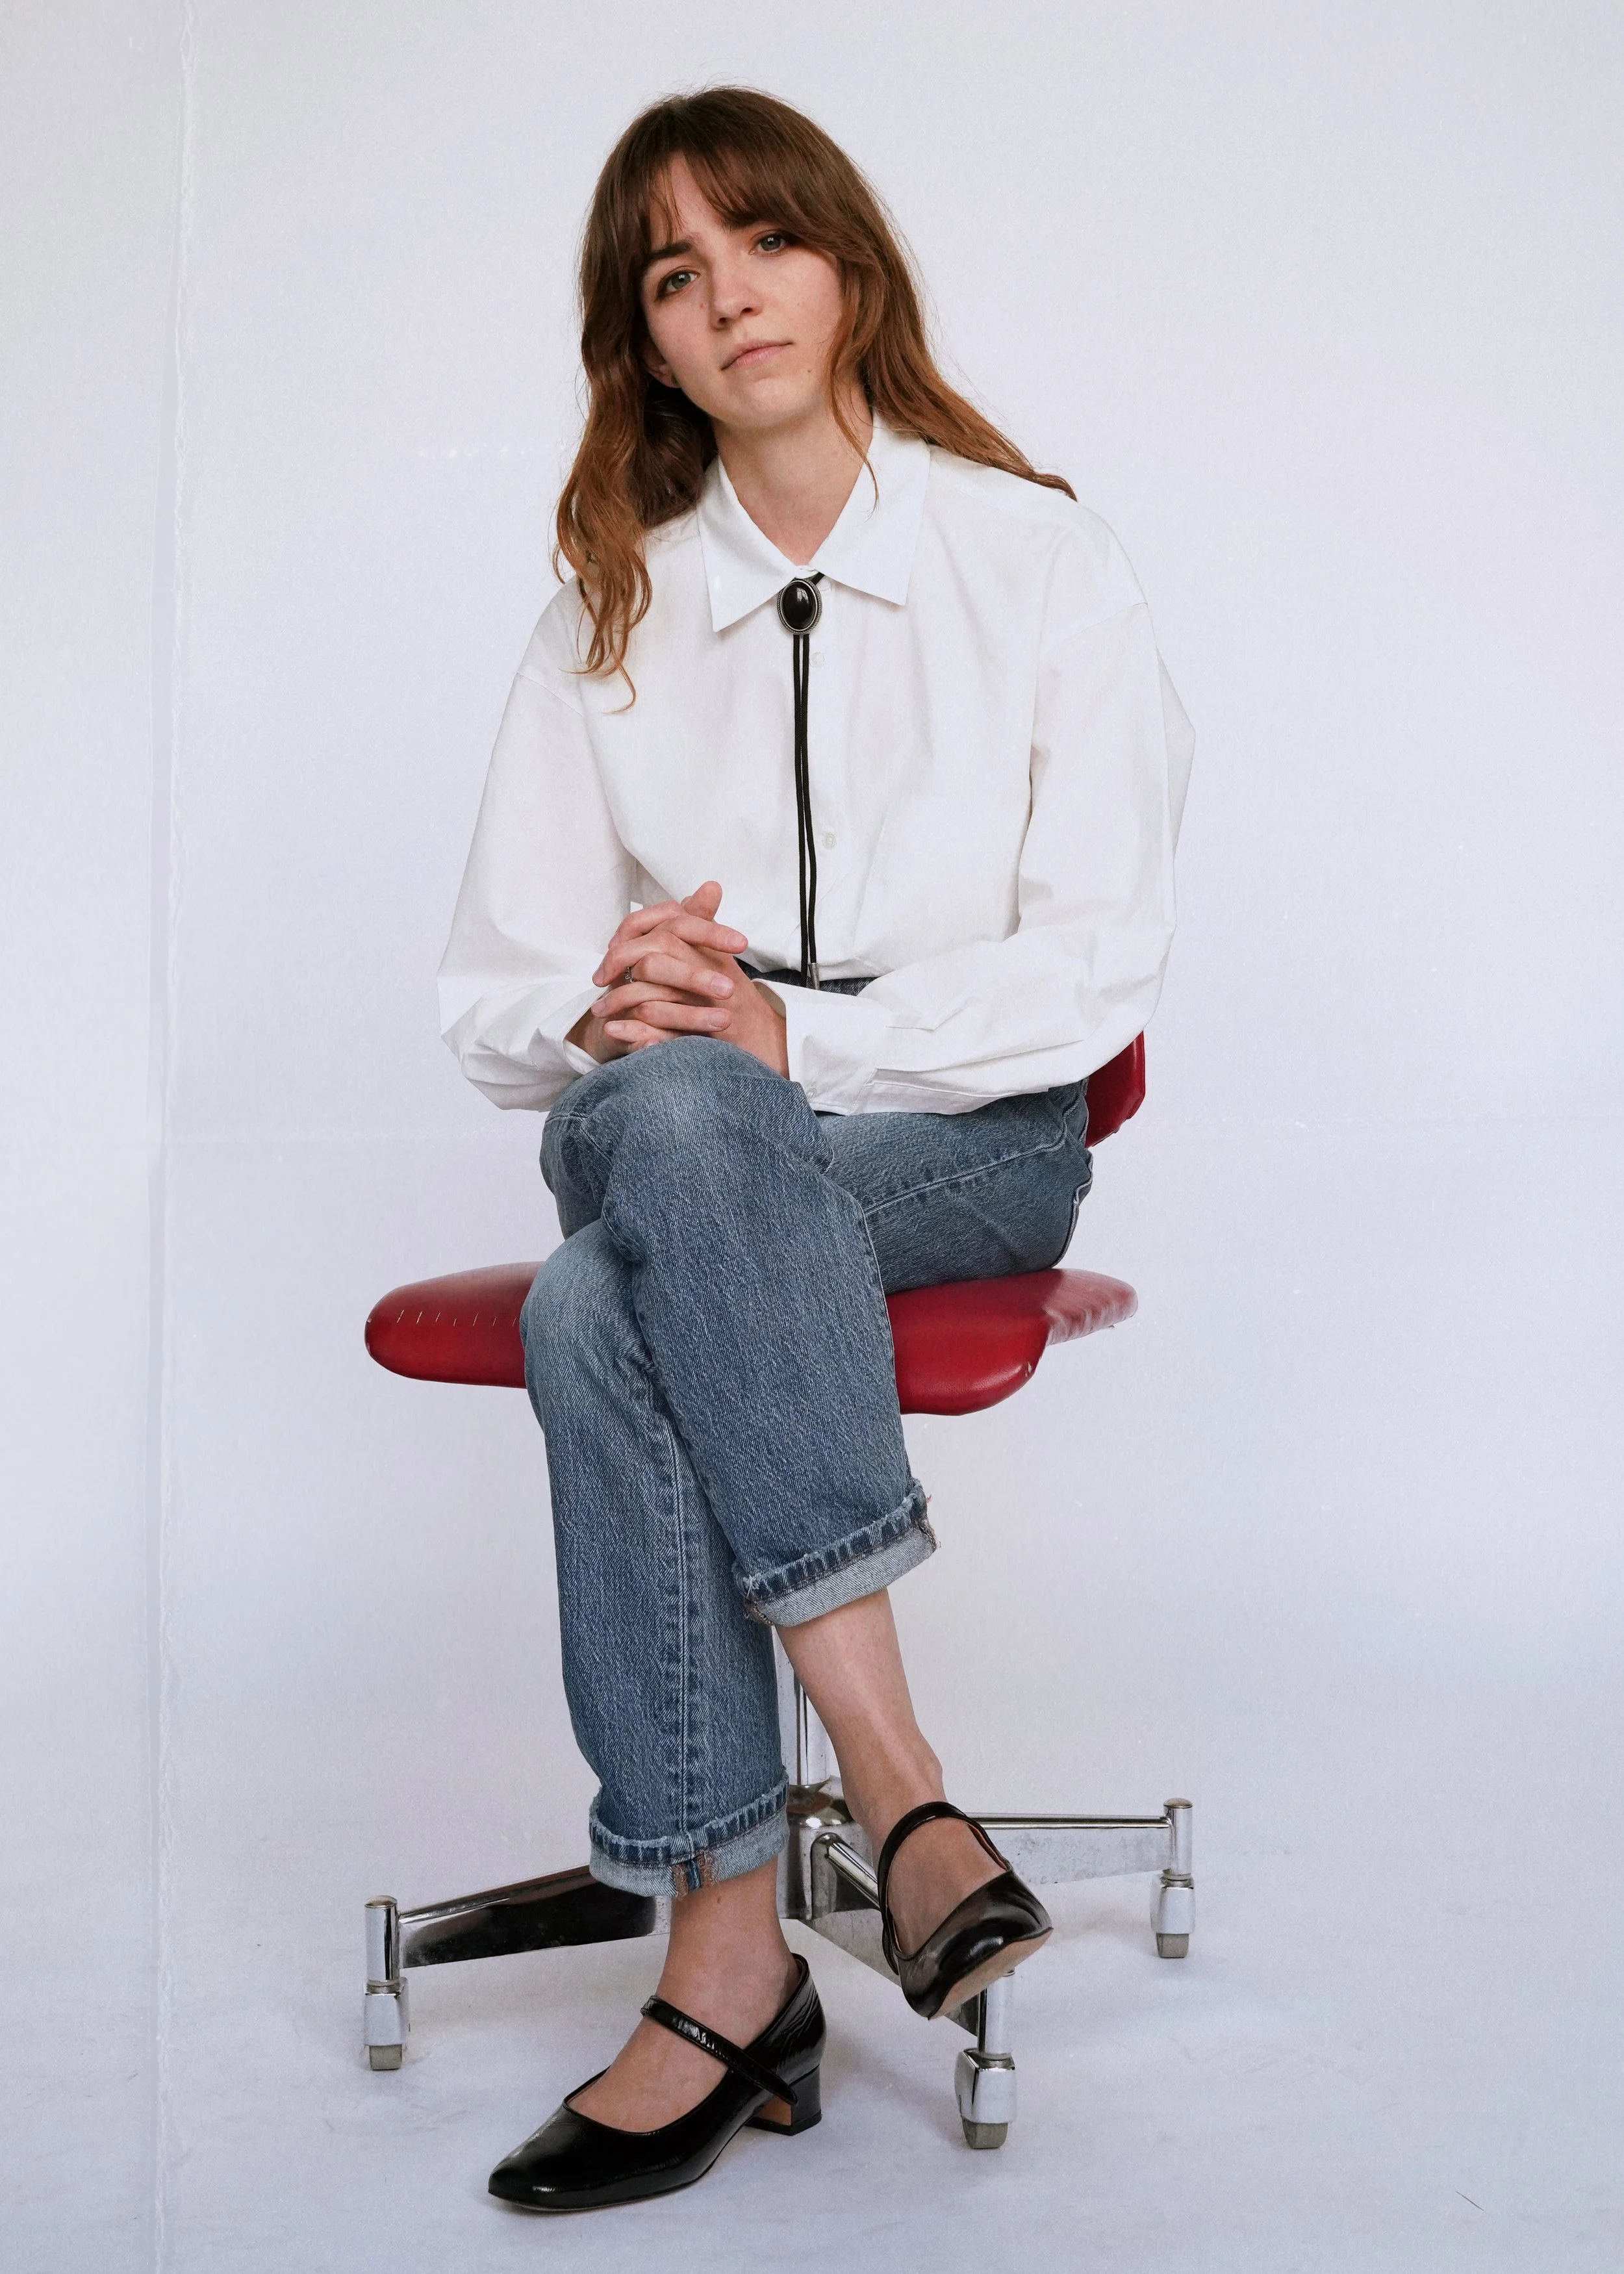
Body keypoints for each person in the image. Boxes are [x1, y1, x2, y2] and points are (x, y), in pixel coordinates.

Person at [438, 86, 1193, 2212]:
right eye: (673, 274)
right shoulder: (608, 605)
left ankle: (725, 1959)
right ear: (646, 344)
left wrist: (802, 1035)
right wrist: (600, 1003)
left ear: (847, 266)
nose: (729, 297)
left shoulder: (1036, 557)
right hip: (676, 1126)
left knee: (602, 1300)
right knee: (675, 1107)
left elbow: (1099, 960)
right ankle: (902, 1783)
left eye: (761, 241)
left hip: (961, 1145)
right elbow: (486, 994)